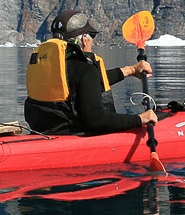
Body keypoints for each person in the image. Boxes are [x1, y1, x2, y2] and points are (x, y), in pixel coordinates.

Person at [24, 10, 159, 136]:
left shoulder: (54, 67)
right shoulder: (85, 69)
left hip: (44, 132)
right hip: (76, 136)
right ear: (84, 39)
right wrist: (140, 119)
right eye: (92, 36)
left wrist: (130, 70)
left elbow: (85, 84)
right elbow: (96, 120)